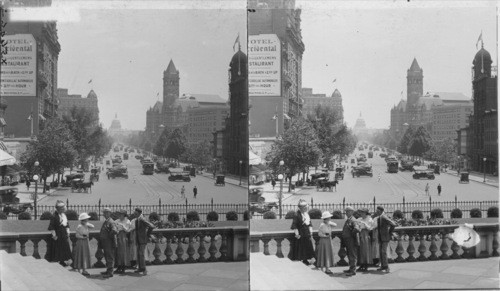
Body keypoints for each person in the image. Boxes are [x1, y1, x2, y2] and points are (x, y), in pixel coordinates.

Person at [47, 201, 73, 267]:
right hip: (58, 234)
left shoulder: (64, 216)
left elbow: (67, 225)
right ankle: (57, 261)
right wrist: (54, 235)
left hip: (63, 233)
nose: (64, 209)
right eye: (62, 208)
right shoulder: (54, 216)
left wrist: (68, 232)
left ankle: (62, 260)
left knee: (64, 247)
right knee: (57, 247)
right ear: (58, 209)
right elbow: (52, 227)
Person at [289, 200, 315, 265]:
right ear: (301, 208)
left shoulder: (306, 214)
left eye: (306, 207)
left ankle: (305, 259)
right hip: (301, 233)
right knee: (301, 247)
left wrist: (311, 231)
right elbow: (295, 225)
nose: (306, 208)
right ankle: (301, 260)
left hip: (306, 233)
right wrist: (297, 234)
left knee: (307, 246)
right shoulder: (297, 215)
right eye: (305, 207)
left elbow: (309, 224)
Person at [133, 208, 156, 275]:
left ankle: (144, 270)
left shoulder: (142, 219)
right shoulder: (137, 219)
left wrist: (147, 235)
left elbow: (151, 226)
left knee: (141, 254)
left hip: (142, 240)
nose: (134, 214)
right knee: (139, 254)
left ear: (139, 213)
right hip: (139, 239)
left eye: (136, 213)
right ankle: (140, 268)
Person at [374, 206, 397, 272]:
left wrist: (389, 232)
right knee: (381, 252)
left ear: (381, 211)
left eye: (378, 211)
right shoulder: (380, 217)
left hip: (384, 237)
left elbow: (393, 224)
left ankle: (387, 267)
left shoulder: (384, 217)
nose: (376, 212)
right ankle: (383, 266)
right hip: (381, 237)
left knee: (383, 252)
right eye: (376, 211)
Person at [342, 206, 361, 276]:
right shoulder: (349, 219)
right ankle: (351, 268)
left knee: (352, 255)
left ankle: (353, 270)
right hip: (348, 240)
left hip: (351, 240)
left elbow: (357, 229)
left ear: (352, 212)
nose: (346, 213)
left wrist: (351, 234)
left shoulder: (353, 220)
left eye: (348, 211)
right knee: (350, 254)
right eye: (346, 211)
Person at [99, 208, 118, 278]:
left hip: (109, 243)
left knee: (109, 257)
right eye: (104, 213)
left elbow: (115, 230)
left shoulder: (111, 221)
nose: (104, 214)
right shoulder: (107, 221)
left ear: (109, 213)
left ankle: (110, 272)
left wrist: (108, 236)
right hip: (106, 243)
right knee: (107, 256)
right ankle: (108, 270)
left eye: (106, 213)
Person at [115, 209, 132, 274]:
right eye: (119, 214)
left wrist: (122, 226)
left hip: (123, 236)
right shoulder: (117, 221)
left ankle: (123, 266)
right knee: (118, 252)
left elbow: (128, 230)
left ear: (124, 215)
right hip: (118, 235)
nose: (119, 215)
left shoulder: (127, 221)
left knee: (123, 252)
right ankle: (119, 266)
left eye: (121, 214)